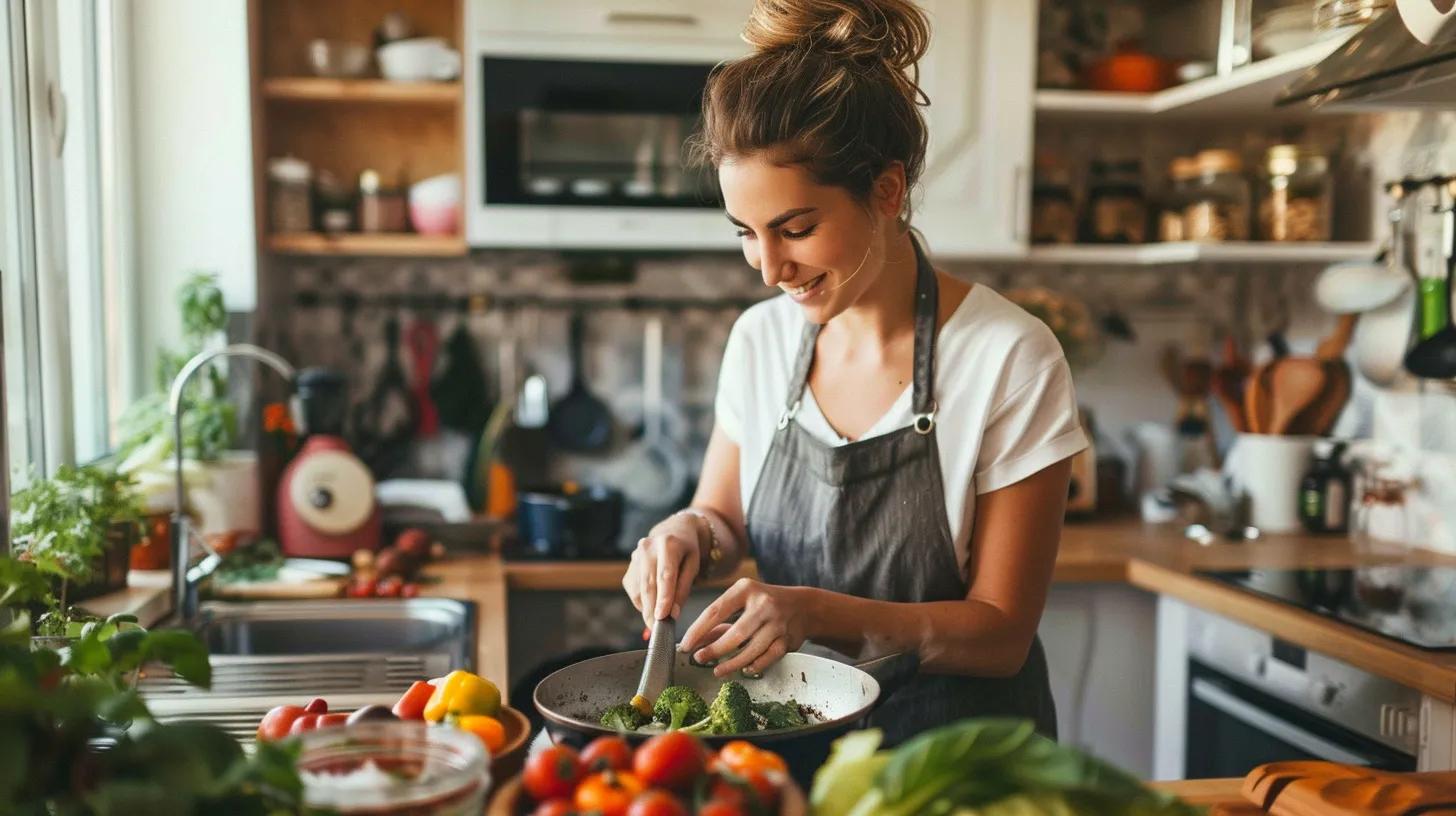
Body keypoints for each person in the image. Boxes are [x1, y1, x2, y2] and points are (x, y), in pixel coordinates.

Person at [622, 0, 1088, 746]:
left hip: (958, 762)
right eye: (747, 233)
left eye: (796, 229)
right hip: (792, 742)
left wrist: (819, 613)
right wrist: (685, 532)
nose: (770, 269)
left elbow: (1000, 636)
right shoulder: (760, 341)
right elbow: (722, 523)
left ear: (888, 191)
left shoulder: (1008, 355)